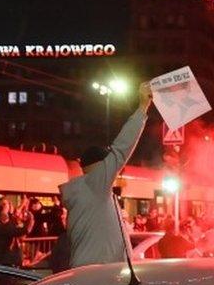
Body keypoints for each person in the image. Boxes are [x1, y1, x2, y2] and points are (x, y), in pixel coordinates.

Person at [60, 83, 151, 267]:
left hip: (95, 271)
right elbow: (121, 148)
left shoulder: (87, 192)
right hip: (97, 275)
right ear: (101, 166)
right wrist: (142, 107)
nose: (115, 172)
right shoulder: (95, 185)